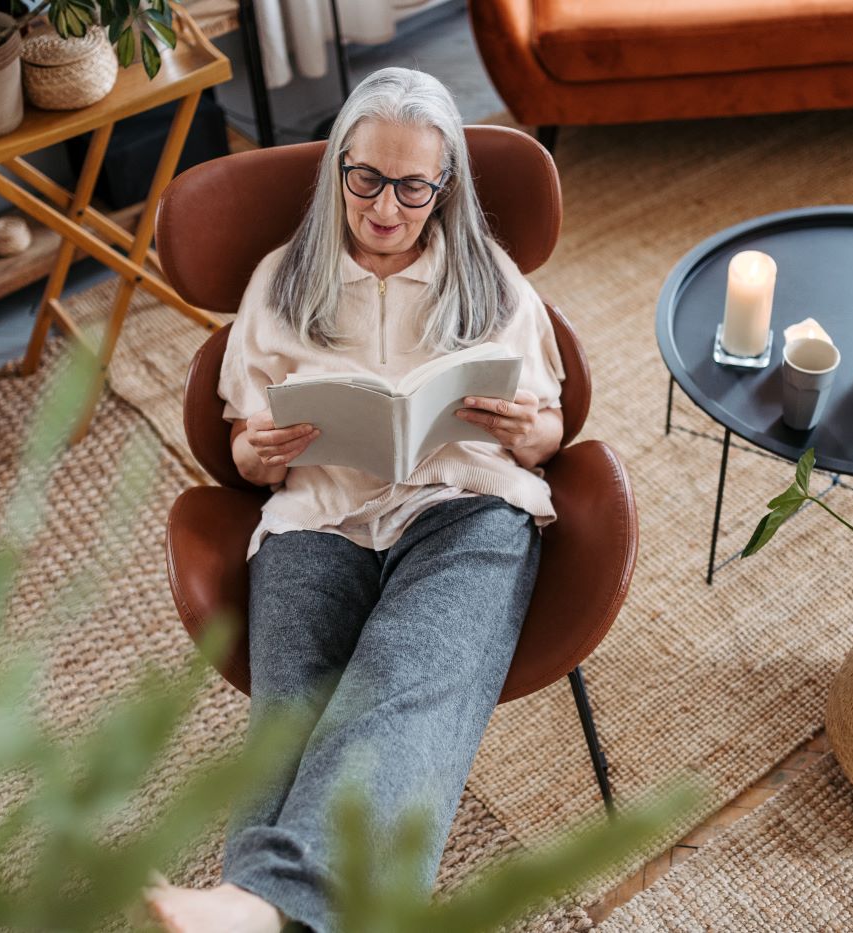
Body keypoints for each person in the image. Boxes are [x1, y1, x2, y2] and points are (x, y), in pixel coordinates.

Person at [145, 66, 565, 933]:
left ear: (446, 187)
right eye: (366, 178)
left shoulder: (490, 278)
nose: (384, 208)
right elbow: (241, 448)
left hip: (463, 506)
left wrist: (529, 434)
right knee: (290, 718)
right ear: (339, 163)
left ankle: (249, 904)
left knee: (400, 677)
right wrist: (251, 453)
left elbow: (551, 430)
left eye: (414, 187)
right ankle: (275, 910)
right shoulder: (281, 281)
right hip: (317, 519)